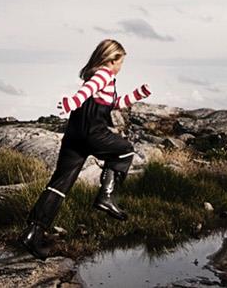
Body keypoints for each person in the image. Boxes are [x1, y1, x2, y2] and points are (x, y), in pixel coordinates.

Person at [20, 39, 152, 257]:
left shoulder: (100, 77)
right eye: (121, 62)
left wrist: (138, 94)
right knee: (126, 149)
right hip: (93, 134)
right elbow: (86, 91)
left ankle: (33, 233)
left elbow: (115, 103)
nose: (121, 67)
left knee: (60, 183)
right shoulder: (103, 75)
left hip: (74, 136)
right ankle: (106, 197)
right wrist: (73, 102)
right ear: (112, 59)